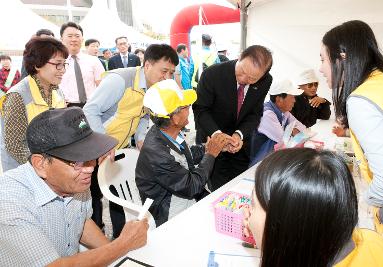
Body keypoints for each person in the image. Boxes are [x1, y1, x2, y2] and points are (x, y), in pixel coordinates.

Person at [0, 107, 148, 266]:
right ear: (41, 164)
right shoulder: (10, 201)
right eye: (77, 161)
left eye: (91, 156)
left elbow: (80, 221)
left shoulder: (75, 181)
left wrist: (117, 255)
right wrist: (122, 245)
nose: (90, 168)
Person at [83, 43, 179, 237]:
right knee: (92, 196)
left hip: (119, 148)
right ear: (148, 65)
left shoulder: (153, 88)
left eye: (171, 73)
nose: (167, 77)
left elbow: (144, 115)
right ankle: (95, 241)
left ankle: (120, 238)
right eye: (164, 71)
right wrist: (103, 145)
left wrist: (141, 138)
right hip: (94, 148)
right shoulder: (120, 80)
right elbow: (90, 110)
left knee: (118, 195)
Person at [244, 148, 383, 266]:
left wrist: (269, 242)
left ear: (286, 226)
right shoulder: (372, 240)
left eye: (253, 205)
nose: (249, 215)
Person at [320, 20, 383, 247]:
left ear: (342, 58)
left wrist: (364, 202)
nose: (321, 68)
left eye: (323, 59)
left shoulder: (361, 99)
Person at [136, 79, 227, 226]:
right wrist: (211, 154)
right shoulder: (158, 155)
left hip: (182, 195)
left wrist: (208, 148)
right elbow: (192, 187)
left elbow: (185, 156)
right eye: (186, 106)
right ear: (175, 118)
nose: (190, 108)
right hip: (169, 213)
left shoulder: (167, 131)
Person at [193, 45, 273, 190]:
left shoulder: (266, 81)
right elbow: (200, 110)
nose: (243, 79)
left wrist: (239, 135)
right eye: (242, 71)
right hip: (212, 142)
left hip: (239, 144)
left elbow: (255, 113)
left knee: (240, 186)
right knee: (217, 190)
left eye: (252, 78)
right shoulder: (212, 74)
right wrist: (218, 136)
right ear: (240, 56)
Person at [0, 37, 68, 172]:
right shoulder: (17, 96)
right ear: (38, 64)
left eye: (64, 64)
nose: (63, 70)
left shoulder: (57, 91)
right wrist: (47, 166)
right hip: (25, 171)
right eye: (58, 64)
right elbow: (15, 146)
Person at [249, 80, 306, 166]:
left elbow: (303, 128)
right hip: (260, 164)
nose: (294, 100)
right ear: (279, 100)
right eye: (292, 97)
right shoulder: (266, 114)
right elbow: (284, 141)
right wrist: (291, 130)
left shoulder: (284, 112)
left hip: (274, 159)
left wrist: (292, 130)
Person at [59, 22, 105, 108]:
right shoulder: (56, 62)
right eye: (70, 36)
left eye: (77, 36)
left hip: (91, 106)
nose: (74, 39)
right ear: (61, 39)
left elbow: (102, 85)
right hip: (65, 107)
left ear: (82, 39)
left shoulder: (93, 60)